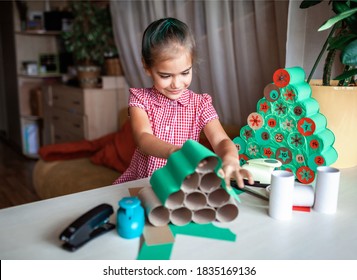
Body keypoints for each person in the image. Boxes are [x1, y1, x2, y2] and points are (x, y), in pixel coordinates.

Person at [113, 17, 253, 188]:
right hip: (142, 185)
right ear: (147, 67)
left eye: (185, 73)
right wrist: (176, 152)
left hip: (182, 186)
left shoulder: (200, 104)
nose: (176, 84)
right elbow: (143, 138)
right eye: (165, 76)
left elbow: (221, 140)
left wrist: (230, 159)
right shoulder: (140, 99)